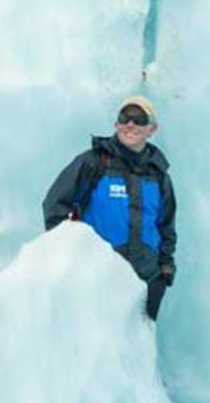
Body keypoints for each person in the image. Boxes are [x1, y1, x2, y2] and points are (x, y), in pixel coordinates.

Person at [42, 96, 177, 320]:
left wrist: (164, 270)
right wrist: (68, 255)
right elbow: (54, 205)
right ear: (116, 125)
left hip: (147, 282)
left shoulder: (159, 176)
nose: (130, 124)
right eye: (124, 118)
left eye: (139, 119)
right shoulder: (94, 163)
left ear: (152, 129)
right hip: (98, 282)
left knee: (137, 351)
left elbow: (166, 226)